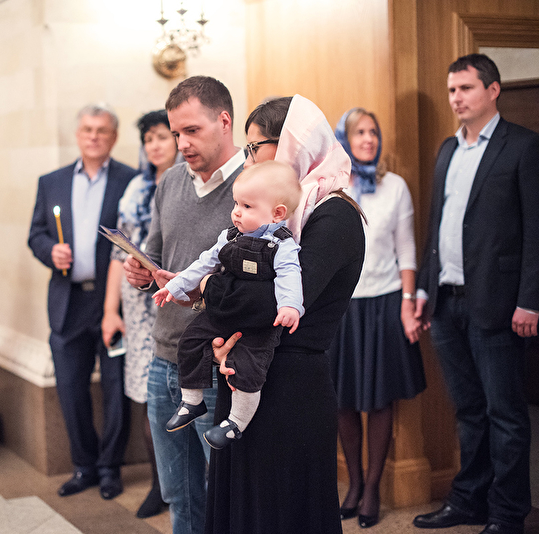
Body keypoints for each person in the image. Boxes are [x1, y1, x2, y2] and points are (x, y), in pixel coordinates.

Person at [201, 95, 366, 534]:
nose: (248, 160)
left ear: (293, 142)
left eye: (254, 147)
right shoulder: (278, 216)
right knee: (242, 508)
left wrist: (206, 288)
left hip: (291, 386)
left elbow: (269, 303)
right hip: (249, 370)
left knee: (280, 511)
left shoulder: (334, 216)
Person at [412, 54, 538, 534]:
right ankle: (469, 502)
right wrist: (424, 288)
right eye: (451, 90)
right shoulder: (448, 149)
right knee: (468, 410)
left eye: (465, 88)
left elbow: (536, 231)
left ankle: (508, 514)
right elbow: (437, 226)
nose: (456, 98)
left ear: (493, 90)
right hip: (446, 302)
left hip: (500, 304)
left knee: (506, 415)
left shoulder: (523, 147)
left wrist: (531, 299)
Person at [123, 75, 246, 534]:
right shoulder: (171, 180)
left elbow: (265, 277)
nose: (181, 144)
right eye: (176, 133)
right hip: (164, 358)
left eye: (192, 130)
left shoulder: (253, 184)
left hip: (217, 362)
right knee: (180, 495)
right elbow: (156, 256)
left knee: (227, 495)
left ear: (224, 121)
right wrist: (141, 272)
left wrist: (204, 290)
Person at [154, 161, 304, 450]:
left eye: (247, 206)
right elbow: (203, 263)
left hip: (259, 323)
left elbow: (289, 275)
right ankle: (192, 401)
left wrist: (290, 306)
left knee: (247, 368)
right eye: (236, 203)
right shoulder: (229, 236)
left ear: (277, 213)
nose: (236, 211)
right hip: (223, 312)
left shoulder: (281, 245)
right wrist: (175, 285)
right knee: (191, 340)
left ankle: (236, 423)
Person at [28, 104, 135, 500]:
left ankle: (110, 468)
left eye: (102, 130)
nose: (93, 136)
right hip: (67, 301)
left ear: (114, 137)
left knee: (115, 387)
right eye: (87, 129)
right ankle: (84, 466)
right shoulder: (51, 182)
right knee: (70, 389)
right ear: (77, 135)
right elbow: (35, 234)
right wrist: (49, 251)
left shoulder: (130, 180)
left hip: (113, 305)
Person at [328, 107, 426, 528]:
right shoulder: (330, 187)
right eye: (359, 132)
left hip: (384, 303)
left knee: (381, 399)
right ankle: (352, 483)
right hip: (340, 307)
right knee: (343, 400)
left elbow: (407, 249)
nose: (368, 139)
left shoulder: (395, 186)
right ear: (344, 140)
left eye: (373, 132)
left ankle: (372, 489)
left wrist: (408, 301)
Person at [100, 109, 179, 517]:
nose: (154, 145)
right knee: (149, 400)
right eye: (148, 139)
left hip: (174, 299)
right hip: (138, 307)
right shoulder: (135, 188)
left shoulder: (187, 182)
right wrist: (110, 310)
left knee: (181, 397)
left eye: (162, 136)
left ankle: (188, 485)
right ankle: (159, 484)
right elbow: (119, 253)